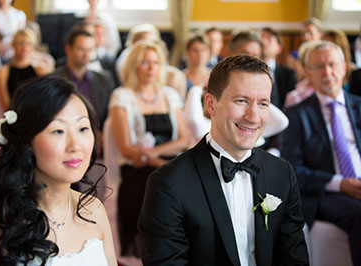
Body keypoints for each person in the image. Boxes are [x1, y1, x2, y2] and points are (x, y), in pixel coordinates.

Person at [138, 54, 309, 265]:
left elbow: (295, 259)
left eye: (263, 103)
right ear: (211, 104)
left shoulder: (282, 172)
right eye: (241, 101)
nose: (254, 116)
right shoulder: (169, 182)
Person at [0, 77, 117, 265]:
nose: (75, 145)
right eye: (58, 131)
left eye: (83, 128)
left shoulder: (94, 210)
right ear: (27, 141)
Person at [281, 40, 361, 265]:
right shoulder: (297, 114)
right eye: (319, 66)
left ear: (344, 67)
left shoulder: (359, 106)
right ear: (308, 72)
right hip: (326, 193)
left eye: (332, 64)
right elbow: (293, 170)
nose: (327, 72)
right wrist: (340, 183)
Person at [109, 40, 190, 258]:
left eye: (156, 62)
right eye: (145, 62)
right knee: (144, 240)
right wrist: (159, 162)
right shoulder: (121, 96)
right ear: (134, 66)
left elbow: (184, 139)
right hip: (139, 175)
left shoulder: (171, 95)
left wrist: (153, 154)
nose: (152, 68)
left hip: (170, 172)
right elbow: (126, 147)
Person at [52, 28, 115, 156]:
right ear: (68, 49)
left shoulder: (104, 79)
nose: (86, 55)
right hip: (65, 143)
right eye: (81, 49)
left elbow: (110, 112)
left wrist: (103, 134)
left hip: (101, 143)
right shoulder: (52, 79)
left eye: (90, 50)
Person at [0, 29, 49, 111]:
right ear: (13, 45)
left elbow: (44, 99)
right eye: (20, 43)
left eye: (29, 44)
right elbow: (5, 103)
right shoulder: (3, 72)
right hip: (12, 115)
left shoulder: (40, 70)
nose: (25, 47)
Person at [260, 27, 297, 109]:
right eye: (261, 38)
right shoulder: (248, 73)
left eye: (269, 39)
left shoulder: (288, 74)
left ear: (279, 48)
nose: (263, 42)